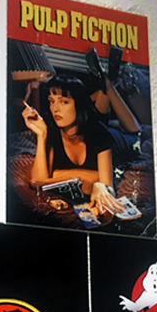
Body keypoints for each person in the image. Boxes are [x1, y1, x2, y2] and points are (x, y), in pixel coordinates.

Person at [21, 74, 124, 217]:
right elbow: (37, 183)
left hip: (121, 141)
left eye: (64, 102)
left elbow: (108, 188)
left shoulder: (99, 133)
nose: (55, 109)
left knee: (134, 135)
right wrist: (41, 135)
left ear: (79, 104)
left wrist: (98, 184)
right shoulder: (51, 131)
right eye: (51, 101)